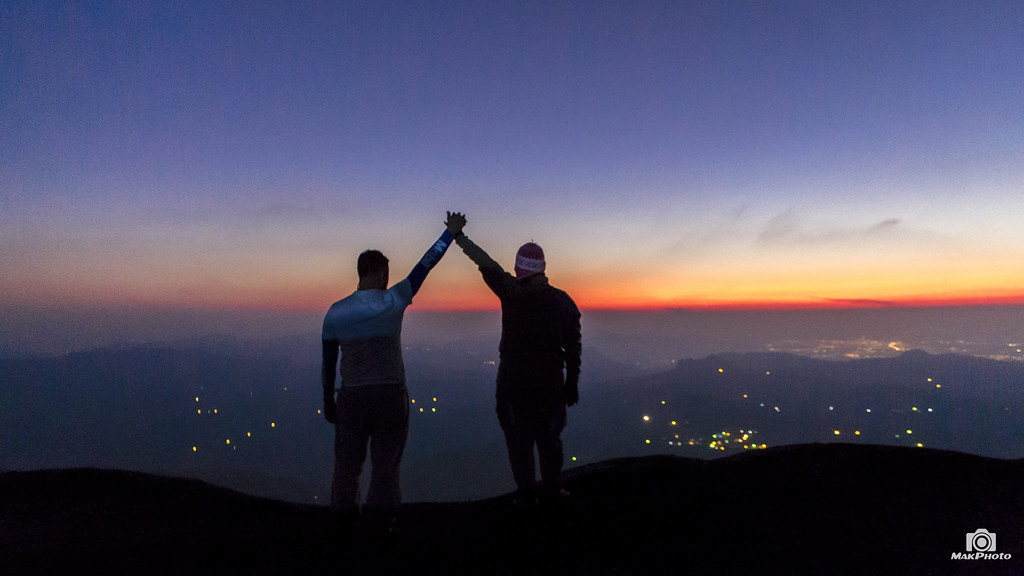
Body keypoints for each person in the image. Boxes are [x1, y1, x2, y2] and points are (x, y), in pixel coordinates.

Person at [321, 212, 466, 520]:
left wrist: (328, 401)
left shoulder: (335, 313)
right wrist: (450, 233)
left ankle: (343, 523)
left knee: (347, 467)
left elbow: (328, 363)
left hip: (351, 397)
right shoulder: (394, 299)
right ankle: (382, 523)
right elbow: (426, 264)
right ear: (377, 272)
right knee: (386, 466)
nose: (389, 277)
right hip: (390, 396)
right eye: (386, 272)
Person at [452, 219, 581, 505]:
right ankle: (553, 491)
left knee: (518, 442)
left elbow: (486, 263)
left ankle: (525, 496)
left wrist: (459, 236)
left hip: (514, 383)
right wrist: (571, 382)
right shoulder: (563, 301)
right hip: (550, 384)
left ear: (519, 268)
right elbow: (573, 347)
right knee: (550, 440)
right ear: (543, 269)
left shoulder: (511, 292)